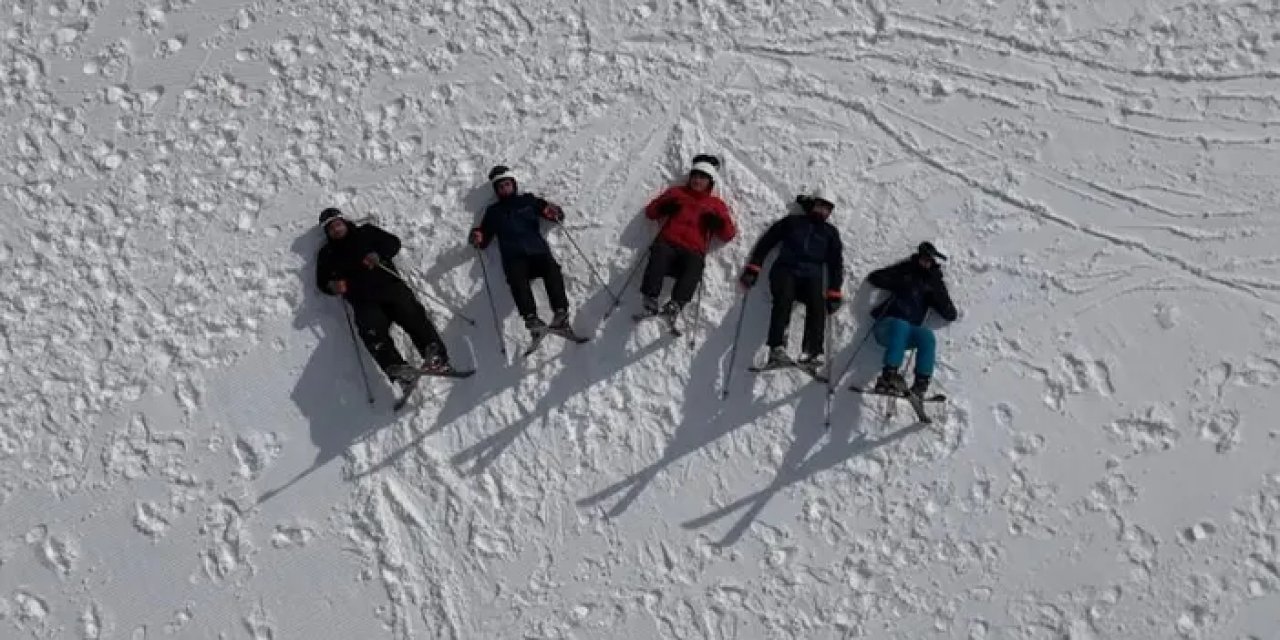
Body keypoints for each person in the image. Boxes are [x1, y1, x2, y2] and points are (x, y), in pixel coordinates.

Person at [315, 207, 454, 384]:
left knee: (413, 316)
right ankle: (400, 373)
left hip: (390, 288)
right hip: (363, 301)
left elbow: (393, 243)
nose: (336, 229)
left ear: (344, 222)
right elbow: (322, 282)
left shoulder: (366, 232)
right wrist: (332, 286)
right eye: (331, 228)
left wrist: (378, 254)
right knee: (371, 333)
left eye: (337, 224)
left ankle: (436, 357)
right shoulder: (327, 254)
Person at [739, 190, 844, 368]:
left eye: (827, 208)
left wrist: (834, 291)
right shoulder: (793, 222)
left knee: (817, 304)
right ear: (813, 204)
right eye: (820, 205)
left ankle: (812, 352)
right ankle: (777, 348)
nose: (822, 211)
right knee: (784, 298)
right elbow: (767, 242)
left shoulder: (830, 233)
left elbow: (836, 263)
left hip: (812, 275)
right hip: (786, 270)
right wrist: (753, 268)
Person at [469, 165, 573, 336]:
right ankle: (531, 319)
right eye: (500, 187)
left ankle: (560, 313)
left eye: (507, 184)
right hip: (514, 257)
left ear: (514, 184)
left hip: (537, 251)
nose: (505, 188)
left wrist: (554, 212)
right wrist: (478, 236)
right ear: (497, 191)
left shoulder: (528, 200)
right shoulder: (494, 212)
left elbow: (551, 213)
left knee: (552, 269)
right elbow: (484, 237)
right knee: (517, 280)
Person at [638, 154, 736, 320]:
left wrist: (718, 224)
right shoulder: (676, 193)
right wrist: (663, 208)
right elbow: (650, 212)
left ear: (710, 182)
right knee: (659, 254)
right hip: (668, 243)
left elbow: (728, 234)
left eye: (702, 178)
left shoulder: (716, 205)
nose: (697, 180)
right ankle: (650, 298)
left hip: (693, 250)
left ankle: (676, 304)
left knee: (695, 265)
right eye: (694, 176)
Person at [866, 241, 959, 396]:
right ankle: (888, 376)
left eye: (929, 260)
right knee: (901, 325)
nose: (925, 263)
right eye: (923, 258)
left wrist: (935, 285)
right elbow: (875, 278)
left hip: (906, 333)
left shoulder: (932, 282)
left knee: (927, 336)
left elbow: (950, 314)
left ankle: (920, 384)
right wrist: (900, 278)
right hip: (886, 327)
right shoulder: (905, 271)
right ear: (918, 257)